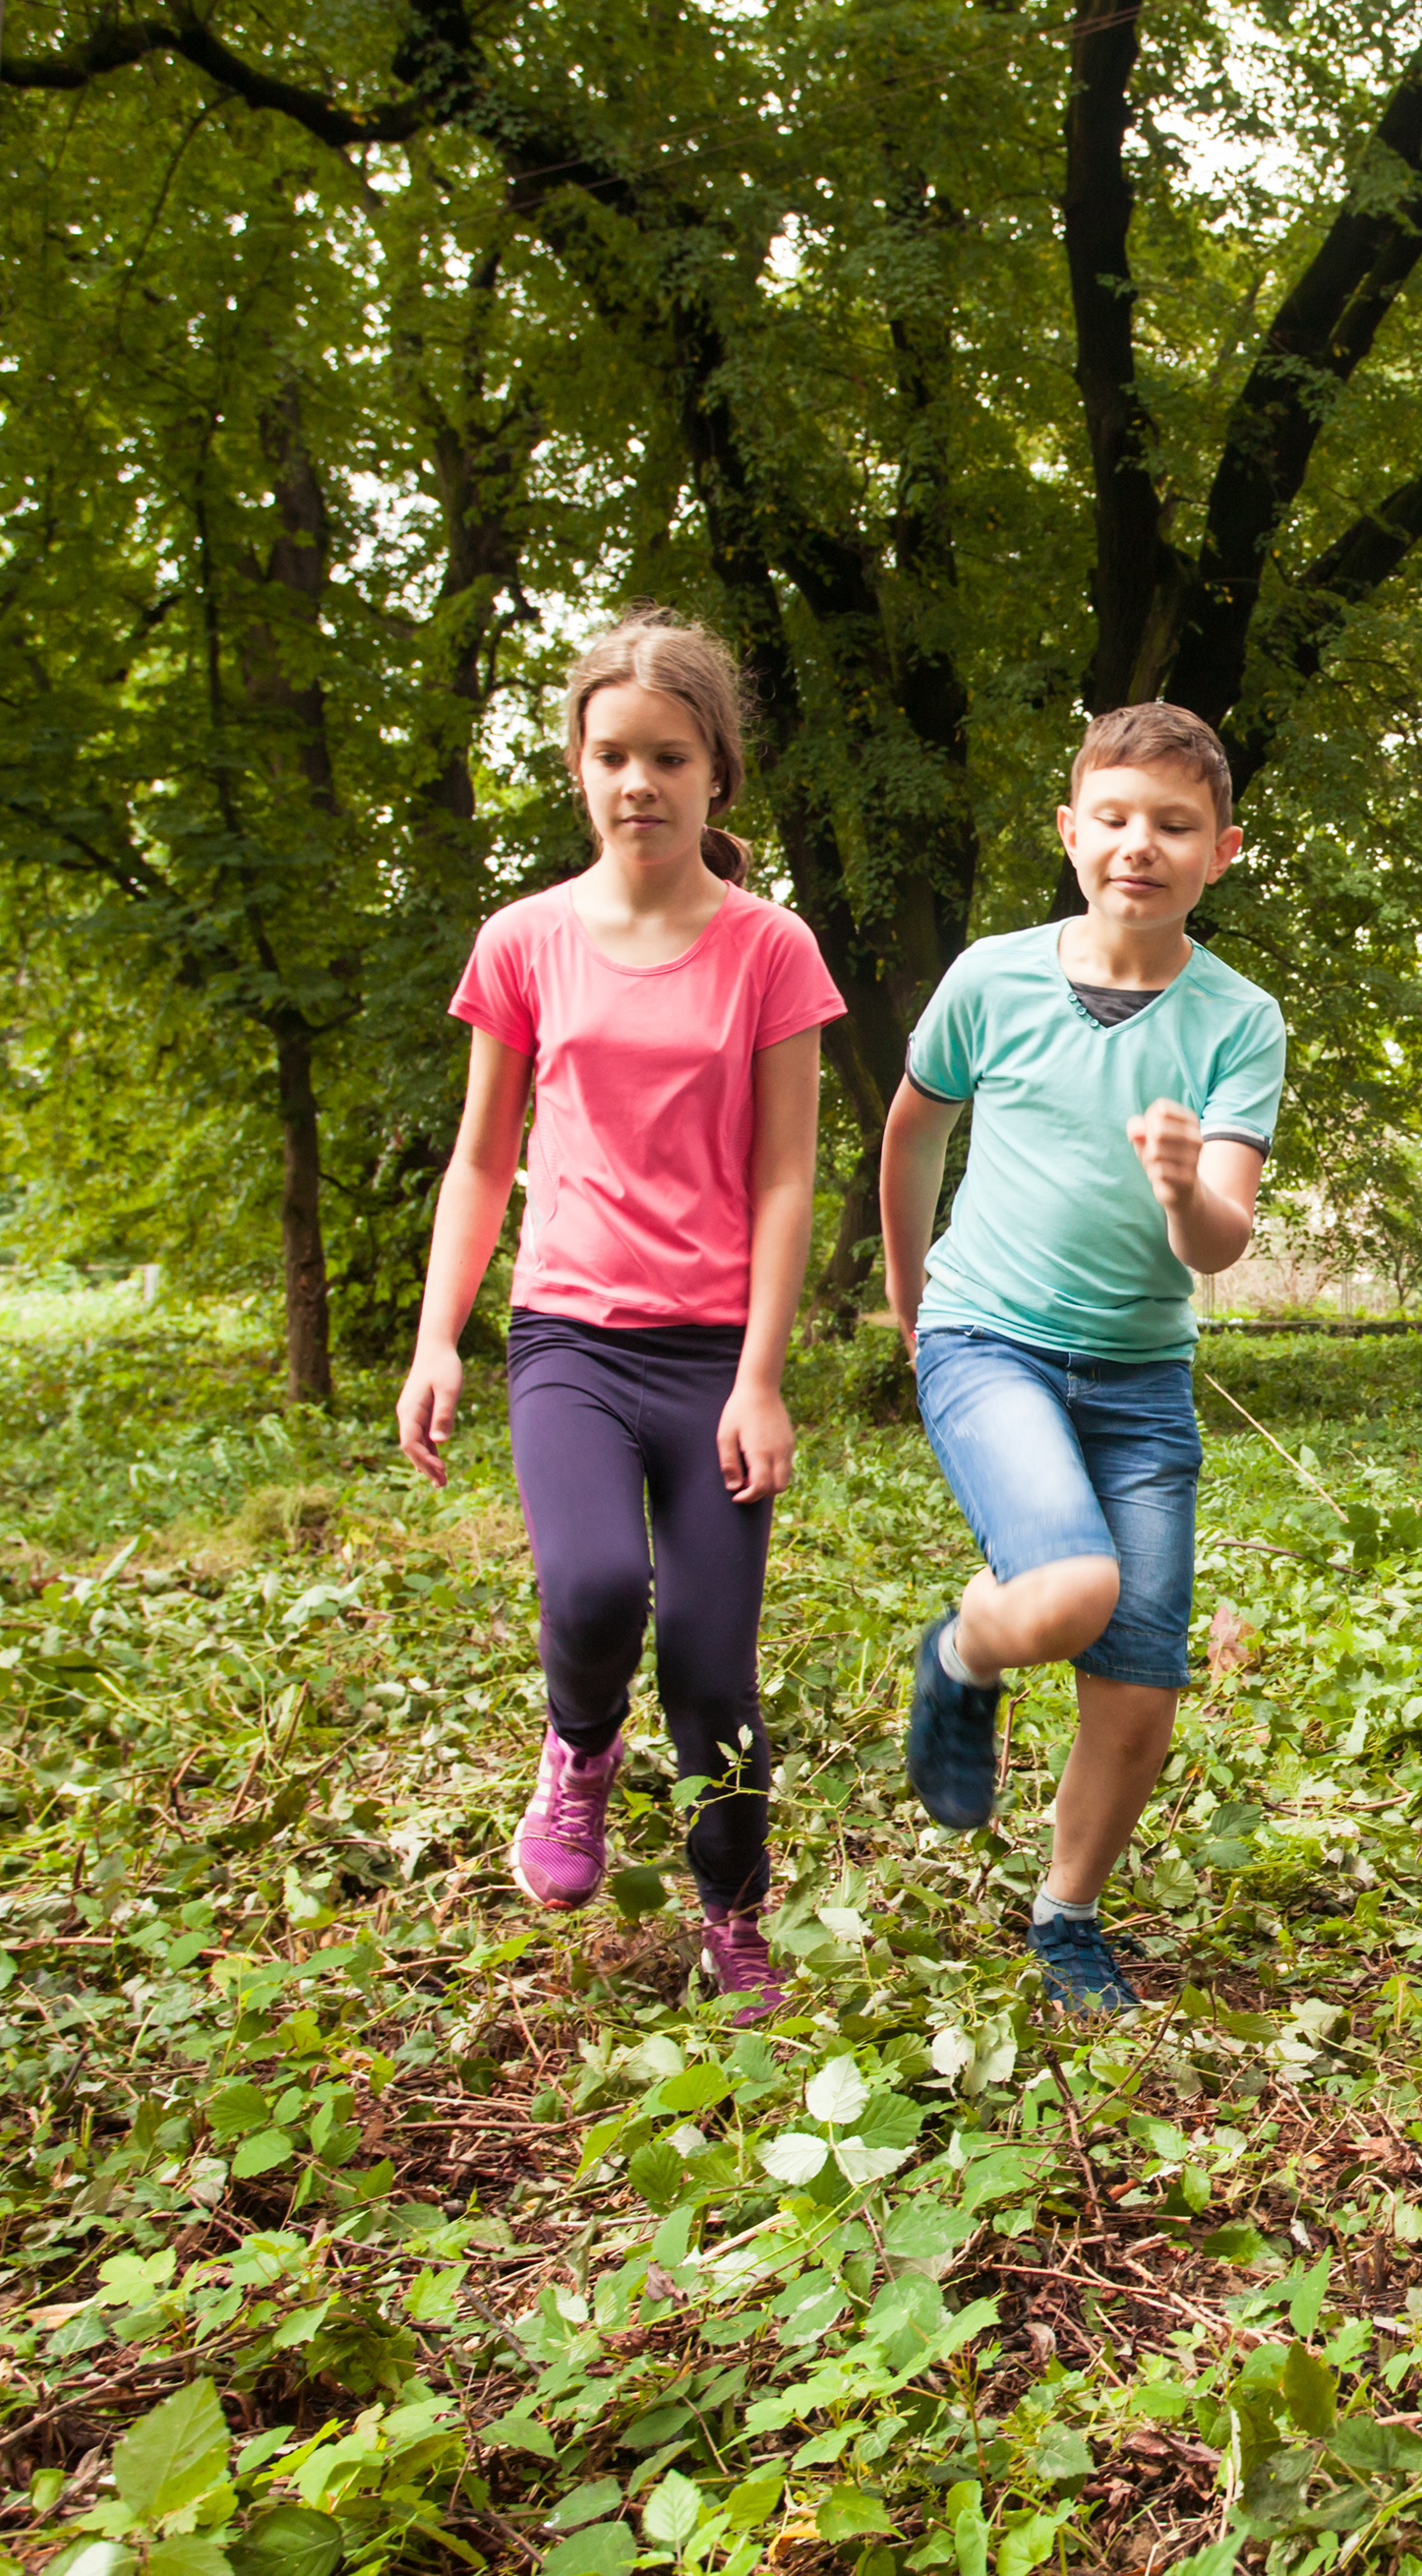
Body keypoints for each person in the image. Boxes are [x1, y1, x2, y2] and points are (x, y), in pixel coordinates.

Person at [396, 610, 840, 2024]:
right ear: (576, 769)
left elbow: (785, 1172)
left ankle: (732, 1910)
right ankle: (578, 1749)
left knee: (712, 1656)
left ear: (718, 775)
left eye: (667, 755)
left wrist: (762, 1374)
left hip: (715, 1350)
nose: (637, 780)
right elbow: (481, 1155)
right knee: (591, 1588)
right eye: (611, 755)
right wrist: (436, 1335)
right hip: (572, 1339)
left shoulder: (771, 948)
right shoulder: (523, 940)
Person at [884, 702, 1283, 2016]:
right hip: (989, 1337)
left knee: (1141, 1677)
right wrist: (909, 1298)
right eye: (1113, 819)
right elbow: (914, 1137)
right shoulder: (989, 976)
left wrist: (1180, 1186)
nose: (1139, 845)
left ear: (1219, 850)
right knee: (1069, 1590)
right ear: (1070, 831)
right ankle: (964, 1650)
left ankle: (1067, 1917)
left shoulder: (1237, 1019)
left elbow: (1219, 1240)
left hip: (1138, 1380)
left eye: (1173, 825)